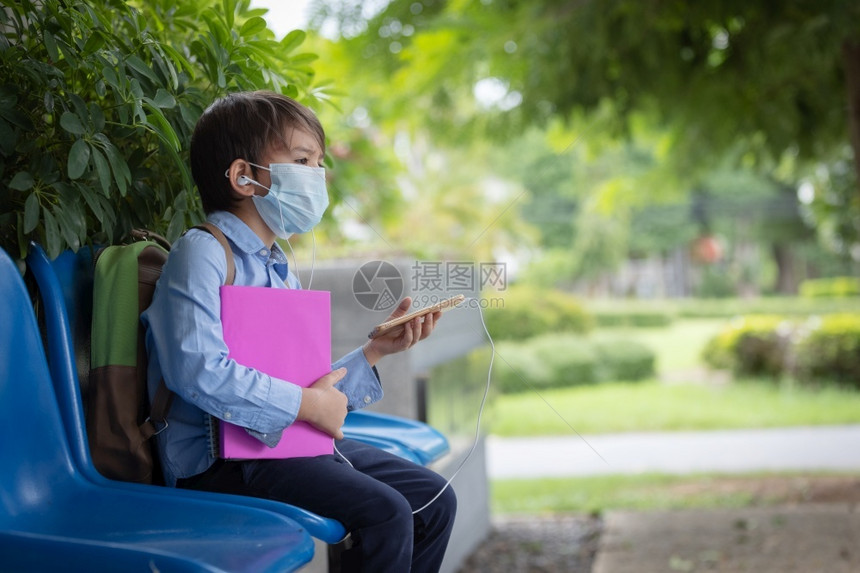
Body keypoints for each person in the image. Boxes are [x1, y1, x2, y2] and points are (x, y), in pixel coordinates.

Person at [141, 90, 456, 572]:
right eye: (303, 160)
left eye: (319, 163)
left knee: (433, 499)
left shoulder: (278, 267)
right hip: (222, 463)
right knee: (386, 514)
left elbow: (305, 386)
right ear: (244, 176)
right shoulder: (202, 253)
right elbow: (197, 370)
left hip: (283, 444)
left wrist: (374, 352)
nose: (318, 177)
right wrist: (308, 405)